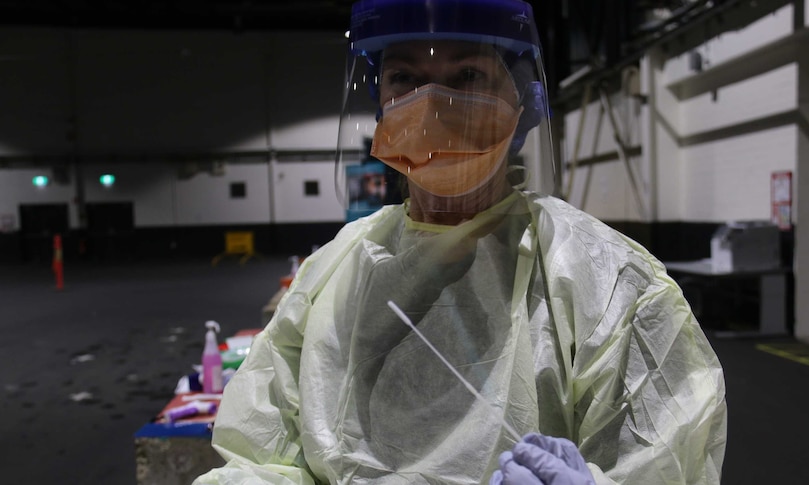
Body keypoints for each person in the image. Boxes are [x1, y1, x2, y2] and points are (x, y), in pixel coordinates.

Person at [194, 1, 727, 484]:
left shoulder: (608, 281)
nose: (432, 106)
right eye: (405, 78)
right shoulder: (334, 272)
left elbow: (665, 462)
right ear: (379, 102)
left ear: (523, 102)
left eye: (467, 75)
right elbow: (261, 457)